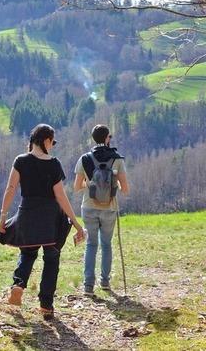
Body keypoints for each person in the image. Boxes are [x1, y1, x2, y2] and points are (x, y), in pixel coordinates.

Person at [0, 124, 84, 320]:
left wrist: (3, 217)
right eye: (52, 142)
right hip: (50, 220)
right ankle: (46, 306)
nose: (52, 146)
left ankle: (18, 285)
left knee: (27, 254)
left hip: (27, 214)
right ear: (46, 141)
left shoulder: (20, 160)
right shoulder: (53, 164)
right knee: (51, 260)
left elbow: (10, 189)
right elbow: (60, 196)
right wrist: (76, 223)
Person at [73, 124, 129, 297]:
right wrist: (114, 185)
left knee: (91, 244)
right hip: (110, 209)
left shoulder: (85, 159)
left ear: (93, 138)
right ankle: (105, 281)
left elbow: (76, 187)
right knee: (106, 244)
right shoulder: (117, 159)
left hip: (89, 207)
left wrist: (89, 184)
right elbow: (125, 189)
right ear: (107, 138)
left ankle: (88, 286)